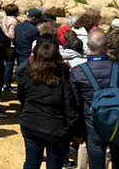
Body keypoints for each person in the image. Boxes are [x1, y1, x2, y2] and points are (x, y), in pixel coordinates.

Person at [70, 30, 119, 169]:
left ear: (88, 45)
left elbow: (74, 105)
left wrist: (78, 132)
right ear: (107, 45)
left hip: (93, 126)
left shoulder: (78, 72)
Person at [18, 41, 84, 169]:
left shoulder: (28, 75)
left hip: (31, 123)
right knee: (53, 165)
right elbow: (71, 109)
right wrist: (79, 133)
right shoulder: (63, 80)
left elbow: (21, 97)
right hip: (56, 130)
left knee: (31, 162)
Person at [15, 8, 43, 79]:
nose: (40, 21)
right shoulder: (34, 29)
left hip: (18, 53)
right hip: (28, 55)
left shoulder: (18, 27)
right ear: (34, 18)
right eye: (39, 19)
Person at [1, 3, 20, 91]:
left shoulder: (4, 18)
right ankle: (6, 83)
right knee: (9, 64)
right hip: (11, 45)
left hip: (4, 44)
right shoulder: (13, 21)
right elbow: (11, 35)